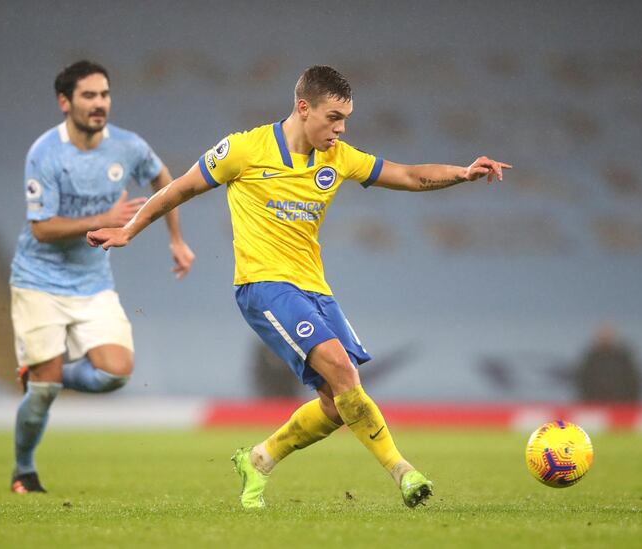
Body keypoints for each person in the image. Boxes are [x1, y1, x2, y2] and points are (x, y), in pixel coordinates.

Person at [88, 65, 510, 508]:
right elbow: (179, 189)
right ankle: (403, 472)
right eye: (333, 117)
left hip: (314, 288)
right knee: (344, 371)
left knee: (335, 403)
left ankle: (259, 459)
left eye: (345, 119)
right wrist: (129, 231)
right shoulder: (243, 149)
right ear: (303, 108)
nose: (341, 129)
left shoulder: (338, 156)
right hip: (264, 285)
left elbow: (406, 176)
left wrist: (461, 173)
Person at [9, 60, 195, 494]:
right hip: (38, 279)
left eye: (104, 95)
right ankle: (24, 470)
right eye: (89, 96)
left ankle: (41, 374)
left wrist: (176, 239)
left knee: (115, 372)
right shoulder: (44, 153)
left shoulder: (127, 147)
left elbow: (167, 181)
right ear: (64, 102)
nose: (99, 104)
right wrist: (105, 218)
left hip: (92, 282)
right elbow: (42, 228)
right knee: (43, 396)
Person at [575, 323, 642, 402]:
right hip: (595, 402)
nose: (606, 338)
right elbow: (583, 380)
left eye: (608, 336)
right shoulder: (592, 357)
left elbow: (633, 380)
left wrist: (631, 401)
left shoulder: (622, 357)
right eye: (603, 336)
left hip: (621, 403)